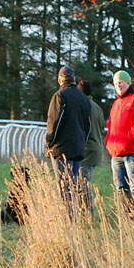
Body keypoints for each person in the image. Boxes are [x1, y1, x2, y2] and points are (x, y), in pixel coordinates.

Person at [105, 70, 134, 216]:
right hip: (116, 154)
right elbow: (110, 125)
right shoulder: (116, 103)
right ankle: (129, 217)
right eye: (116, 83)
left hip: (133, 153)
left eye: (121, 82)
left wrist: (127, 140)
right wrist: (109, 142)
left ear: (127, 82)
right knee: (121, 188)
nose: (119, 85)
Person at [45, 66, 91, 212]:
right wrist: (82, 143)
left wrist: (49, 142)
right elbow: (87, 126)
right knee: (73, 184)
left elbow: (54, 121)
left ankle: (67, 218)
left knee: (64, 187)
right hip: (78, 148)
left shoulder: (60, 96)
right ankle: (74, 215)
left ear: (60, 79)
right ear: (74, 79)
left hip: (62, 149)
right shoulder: (83, 98)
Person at [78, 80, 105, 213]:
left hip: (86, 150)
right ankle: (85, 212)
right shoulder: (97, 107)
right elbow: (101, 129)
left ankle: (87, 214)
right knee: (84, 182)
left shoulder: (81, 106)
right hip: (96, 149)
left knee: (83, 184)